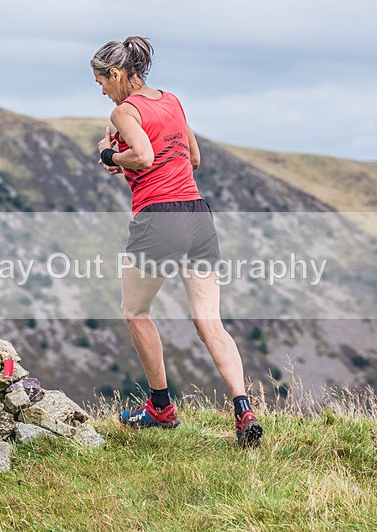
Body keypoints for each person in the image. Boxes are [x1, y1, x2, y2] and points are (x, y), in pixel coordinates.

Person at [90, 36, 263, 447]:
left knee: (134, 310)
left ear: (116, 74)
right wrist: (135, 161)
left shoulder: (122, 111)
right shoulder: (172, 101)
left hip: (159, 217)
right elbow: (194, 159)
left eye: (100, 81)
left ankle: (161, 407)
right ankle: (243, 410)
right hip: (197, 215)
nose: (101, 90)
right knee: (210, 323)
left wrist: (111, 157)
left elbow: (145, 157)